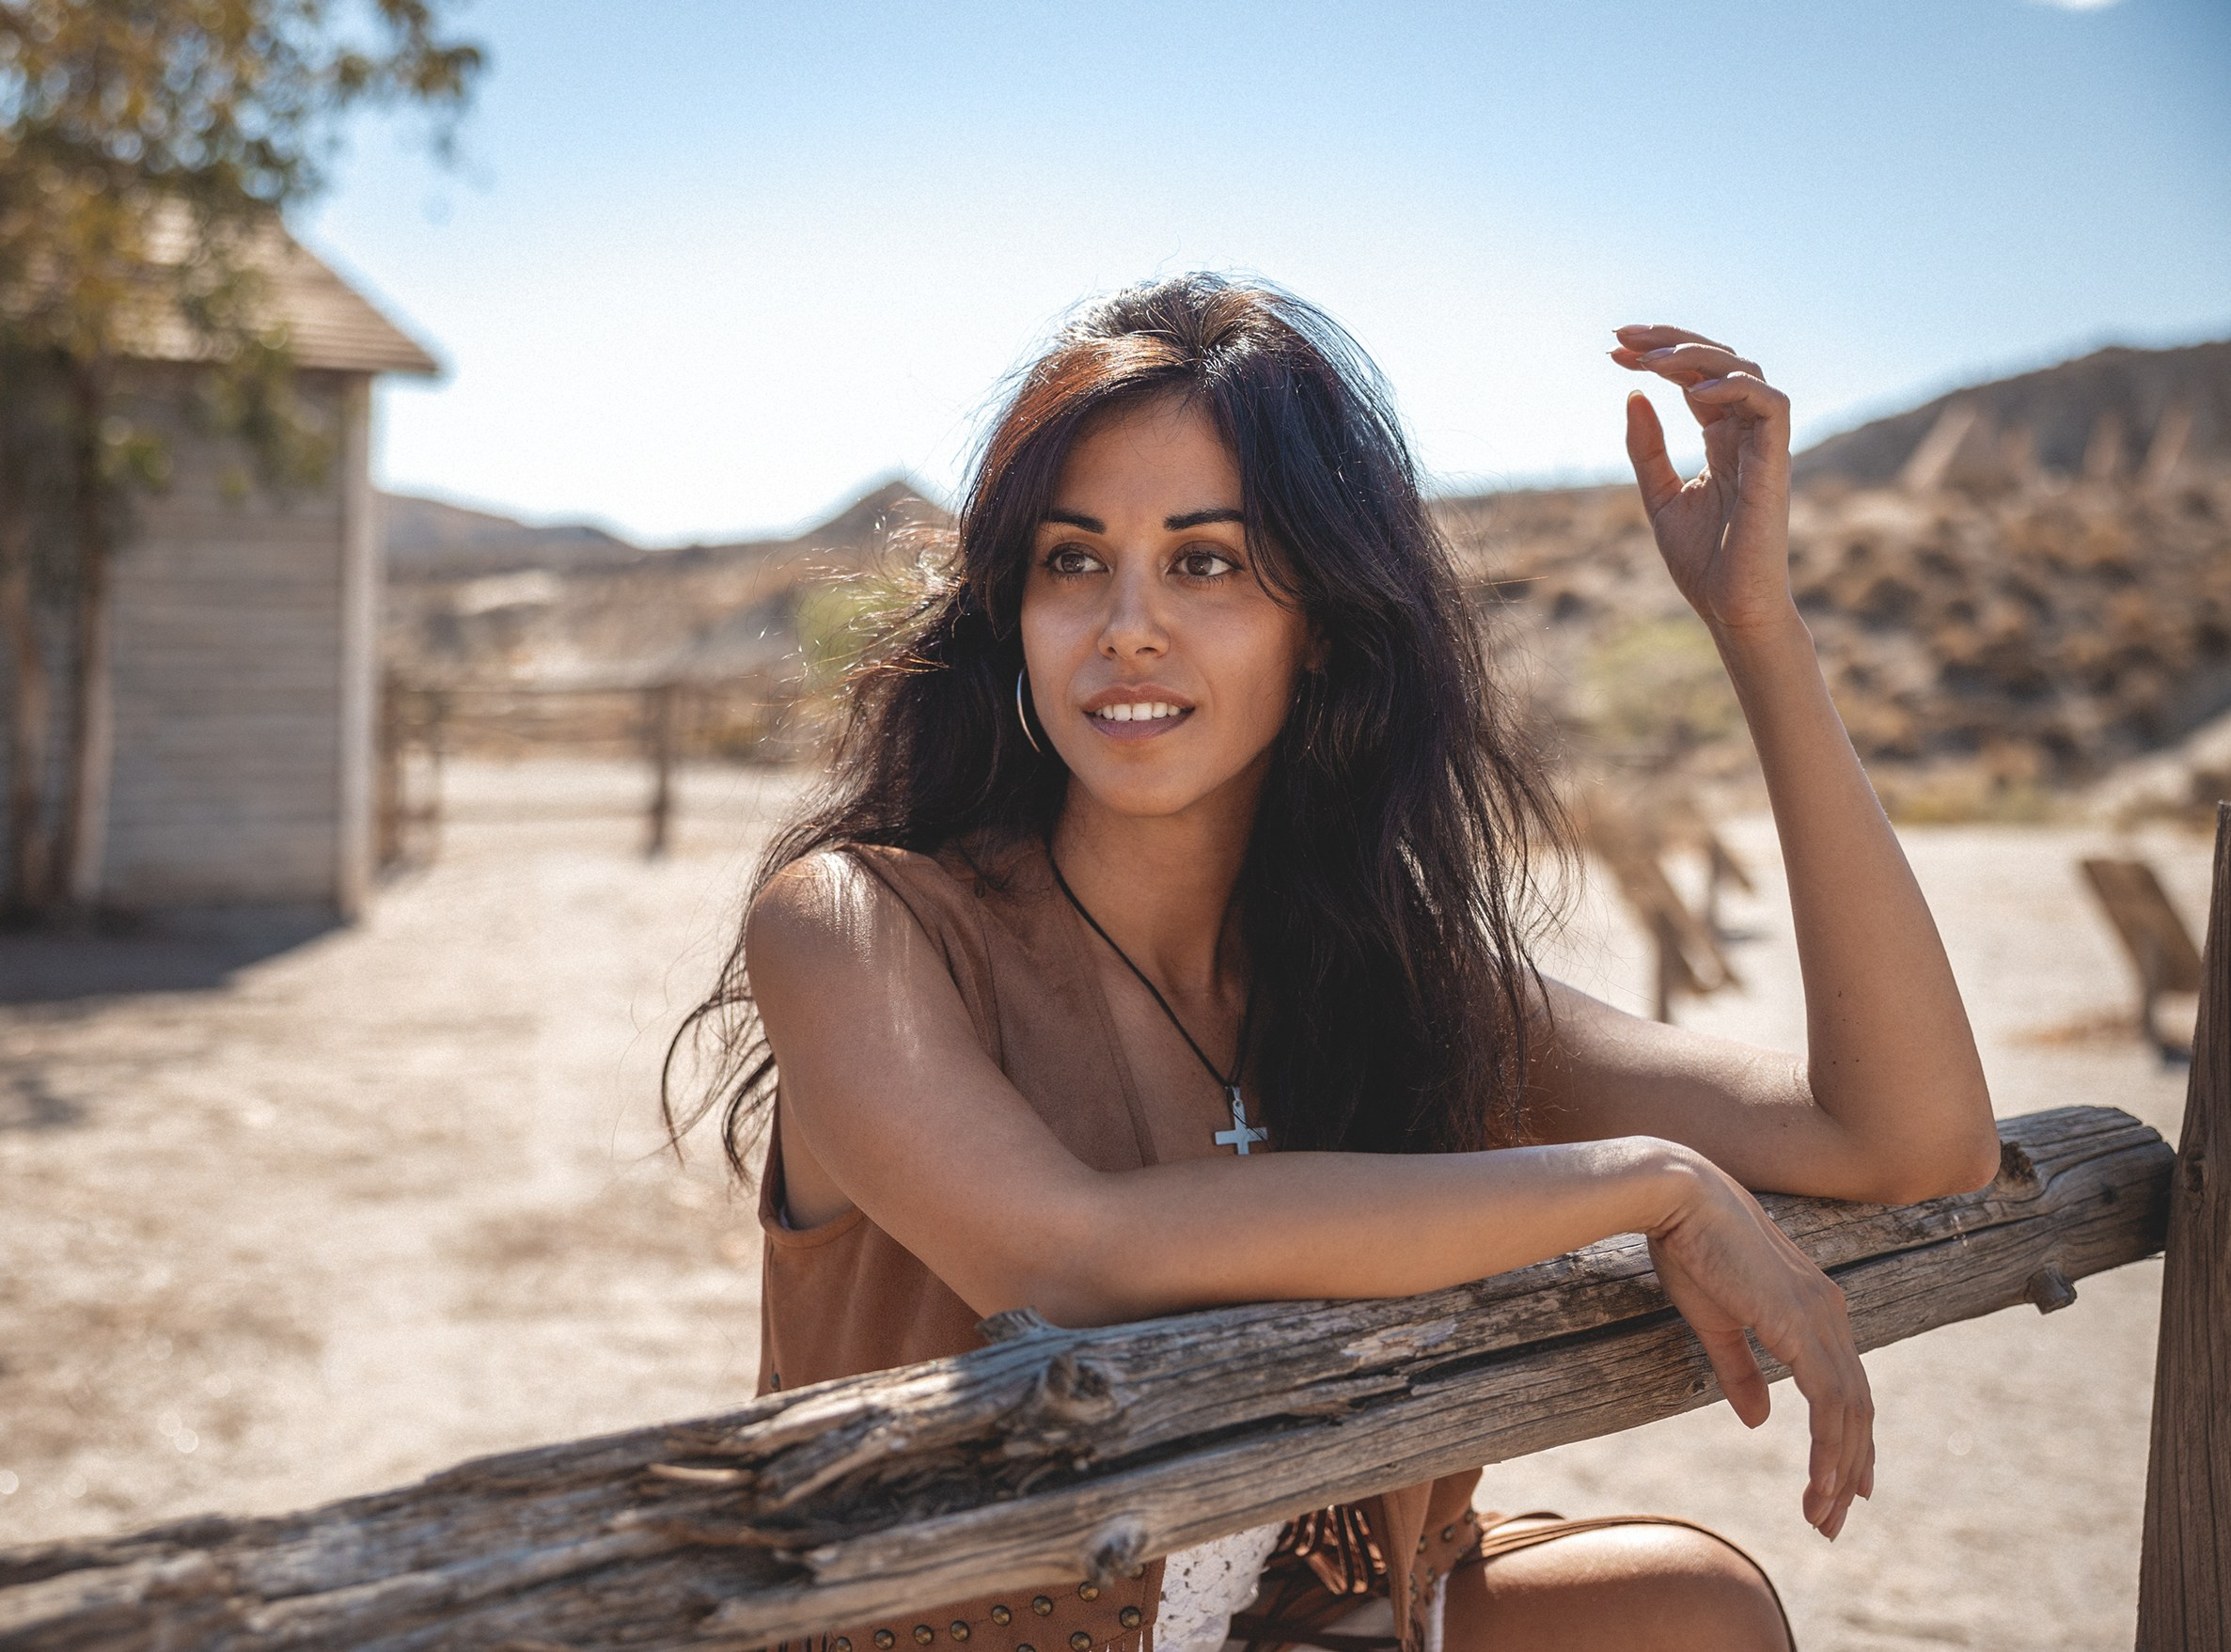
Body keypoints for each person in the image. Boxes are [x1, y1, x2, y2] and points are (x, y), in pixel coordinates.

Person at [668, 274, 2002, 1652]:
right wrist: (1643, 1181)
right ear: (1009, 609)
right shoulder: (857, 925)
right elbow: (1065, 1255)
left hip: (1296, 1616)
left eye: (1206, 561)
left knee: (1684, 1612)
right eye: (1073, 559)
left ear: (1322, 629)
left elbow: (1907, 1138)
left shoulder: (1400, 987)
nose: (1125, 622)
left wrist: (1757, 630)